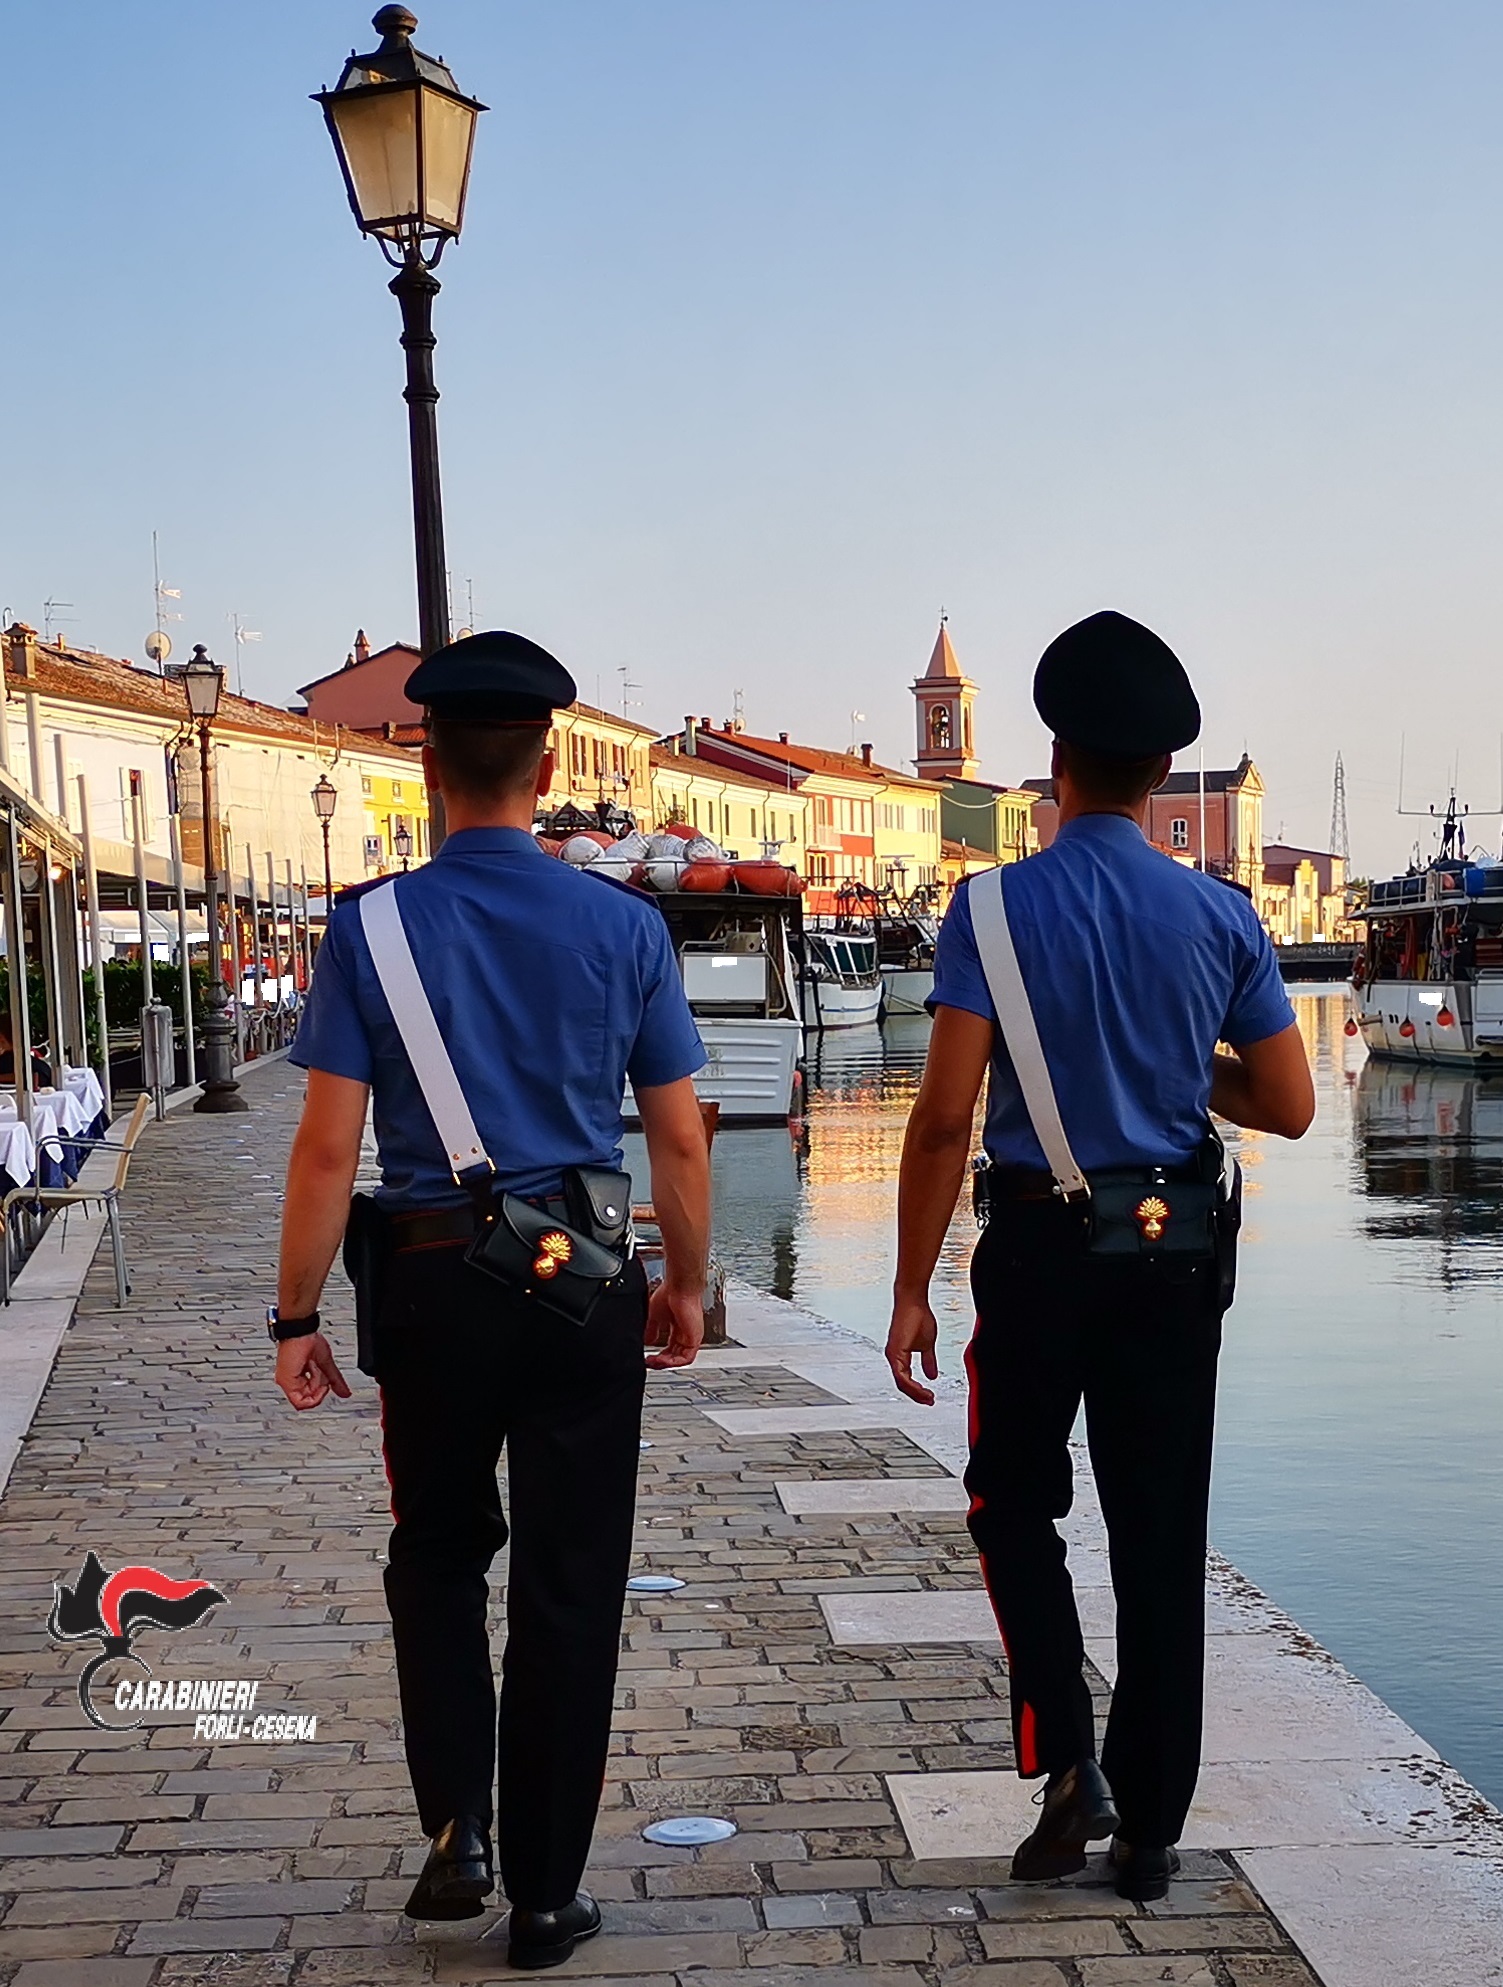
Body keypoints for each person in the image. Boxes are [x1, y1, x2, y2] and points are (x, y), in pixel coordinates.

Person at [270, 631, 712, 1966]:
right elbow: (680, 1139)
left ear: (426, 756)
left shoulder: (372, 927)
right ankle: (545, 1894)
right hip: (582, 1283)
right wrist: (686, 1285)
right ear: (544, 764)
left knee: (438, 1550)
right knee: (573, 1581)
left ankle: (457, 1824)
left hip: (425, 1280)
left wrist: (294, 1317)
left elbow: (327, 1147)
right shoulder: (627, 926)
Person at [885, 611, 1314, 1903]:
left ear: (1056, 760)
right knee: (1158, 1531)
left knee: (1011, 1499)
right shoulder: (1220, 917)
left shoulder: (990, 908)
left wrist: (908, 1285)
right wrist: (1193, 1074)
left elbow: (948, 1112)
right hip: (1174, 1253)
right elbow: (1290, 1105)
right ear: (1155, 777)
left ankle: (1065, 1757)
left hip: (1035, 1250)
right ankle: (1150, 1834)